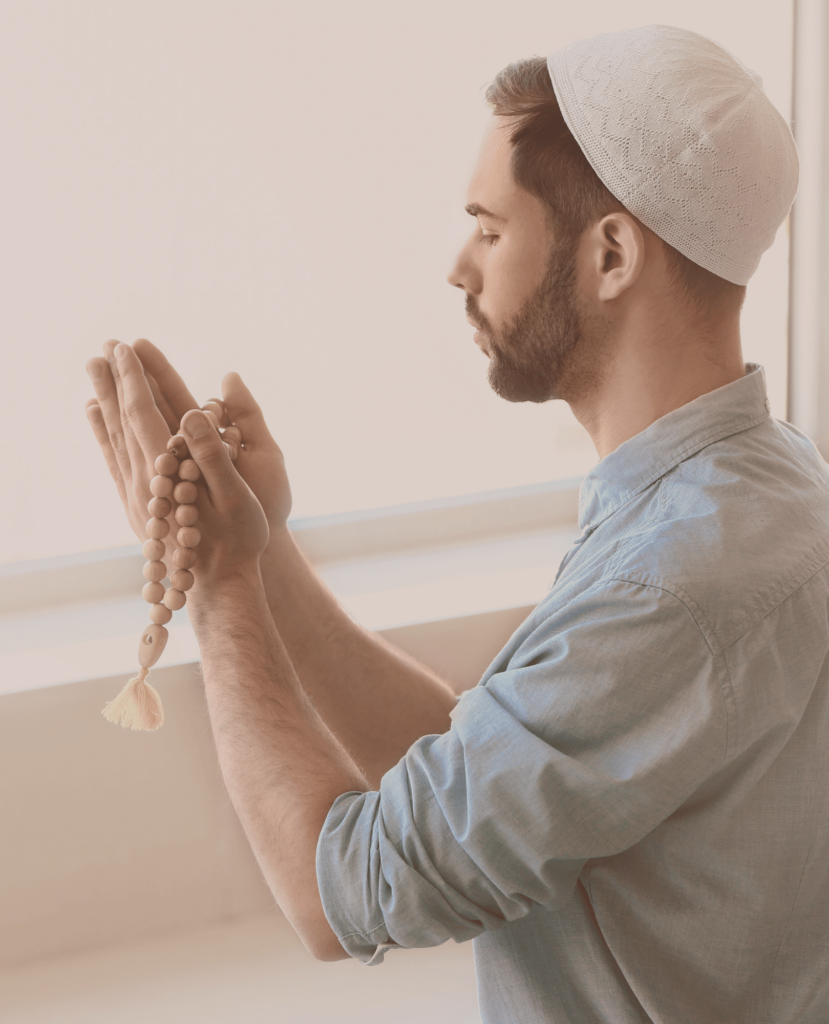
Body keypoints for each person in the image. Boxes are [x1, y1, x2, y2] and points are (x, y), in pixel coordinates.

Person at [84, 25, 828, 1024]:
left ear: (611, 254)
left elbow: (335, 893)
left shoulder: (672, 583)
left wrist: (219, 594)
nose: (456, 267)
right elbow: (484, 771)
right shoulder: (769, 488)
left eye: (487, 226)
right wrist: (265, 555)